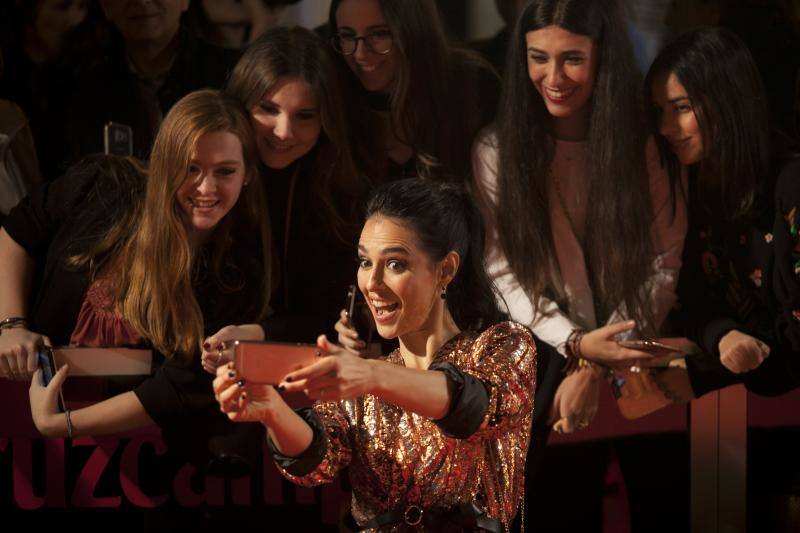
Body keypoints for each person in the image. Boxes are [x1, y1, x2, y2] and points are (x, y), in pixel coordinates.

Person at [470, 0, 687, 528]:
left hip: (646, 354)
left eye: (572, 58)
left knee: (665, 506)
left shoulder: (641, 143)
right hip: (548, 364)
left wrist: (600, 354)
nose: (553, 76)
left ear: (603, 58)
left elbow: (663, 259)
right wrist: (574, 344)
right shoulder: (496, 150)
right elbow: (502, 274)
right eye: (538, 57)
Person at [214, 178, 537, 532]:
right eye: (365, 262)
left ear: (445, 270)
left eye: (396, 264)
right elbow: (316, 459)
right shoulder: (363, 380)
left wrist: (370, 375)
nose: (372, 283)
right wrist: (272, 411)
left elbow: (474, 406)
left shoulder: (504, 347)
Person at [0, 89, 270, 468]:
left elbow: (177, 387)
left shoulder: (238, 272)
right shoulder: (104, 184)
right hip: (21, 428)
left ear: (247, 177)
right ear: (165, 163)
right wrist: (11, 325)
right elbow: (17, 231)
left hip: (133, 459)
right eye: (190, 168)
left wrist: (61, 424)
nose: (206, 188)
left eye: (225, 171)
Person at [198, 27, 365, 374]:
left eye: (305, 116)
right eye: (268, 109)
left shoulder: (336, 188)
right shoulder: (206, 179)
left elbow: (328, 312)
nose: (284, 131)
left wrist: (257, 333)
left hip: (304, 378)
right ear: (241, 103)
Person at [647, 27, 800, 399]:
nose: (667, 128)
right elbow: (690, 300)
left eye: (682, 108)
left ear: (728, 101)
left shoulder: (791, 183)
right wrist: (723, 335)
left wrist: (705, 371)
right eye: (660, 112)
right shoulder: (690, 187)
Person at [327, 0, 499, 183]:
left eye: (379, 34)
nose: (360, 54)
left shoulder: (471, 84)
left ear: (413, 30)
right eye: (346, 36)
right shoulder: (336, 94)